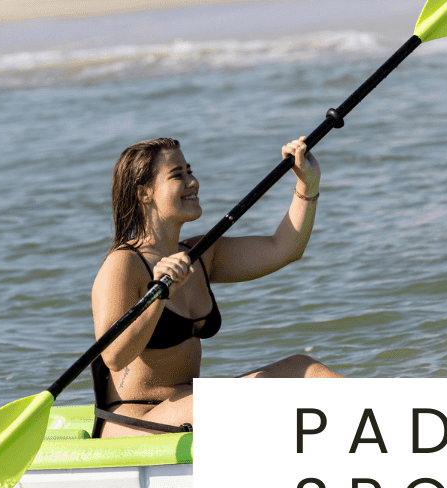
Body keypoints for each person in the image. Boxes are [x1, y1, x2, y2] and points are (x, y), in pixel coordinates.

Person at [92, 136, 342, 439]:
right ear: (145, 193)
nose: (192, 182)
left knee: (307, 371)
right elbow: (114, 357)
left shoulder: (200, 253)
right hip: (135, 421)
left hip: (188, 405)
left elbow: (284, 248)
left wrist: (308, 184)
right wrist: (159, 295)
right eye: (177, 175)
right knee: (259, 390)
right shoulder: (123, 264)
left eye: (190, 171)